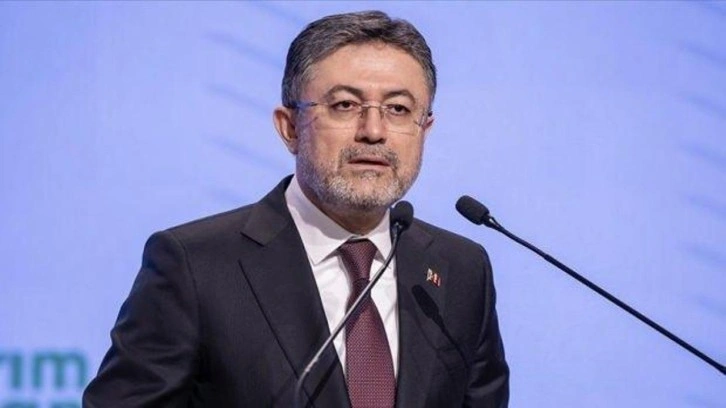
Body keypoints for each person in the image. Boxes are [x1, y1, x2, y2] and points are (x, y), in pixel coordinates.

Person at [83, 10, 509, 408]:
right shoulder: (195, 265)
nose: (374, 131)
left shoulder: (462, 269)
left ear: (424, 129)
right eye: (345, 105)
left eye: (398, 109)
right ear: (290, 128)